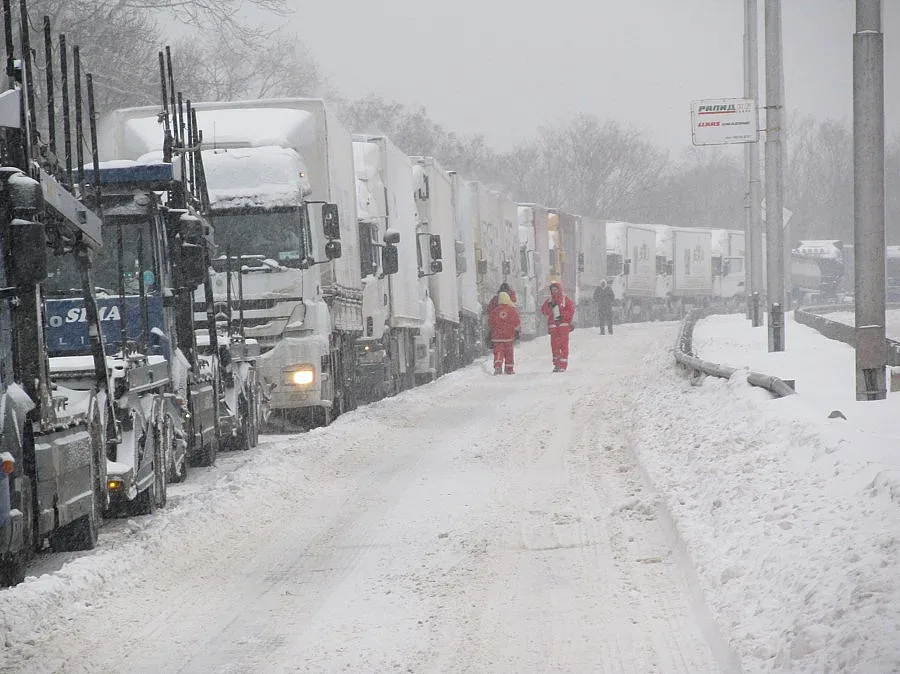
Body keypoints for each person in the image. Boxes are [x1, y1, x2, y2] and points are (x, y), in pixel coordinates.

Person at [541, 282, 575, 372]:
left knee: (563, 346)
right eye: (552, 290)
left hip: (563, 326)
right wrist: (549, 308)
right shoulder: (549, 300)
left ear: (559, 290)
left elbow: (571, 311)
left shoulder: (564, 299)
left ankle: (563, 365)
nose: (554, 291)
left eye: (555, 289)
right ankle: (557, 364)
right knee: (554, 346)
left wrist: (562, 315)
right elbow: (544, 311)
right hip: (554, 327)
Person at [489, 291, 520, 375]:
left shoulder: (494, 311)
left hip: (497, 337)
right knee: (509, 352)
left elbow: (491, 322)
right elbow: (517, 322)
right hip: (508, 336)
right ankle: (509, 368)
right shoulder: (512, 311)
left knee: (498, 352)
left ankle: (498, 366)